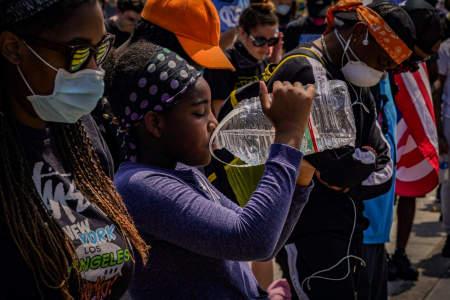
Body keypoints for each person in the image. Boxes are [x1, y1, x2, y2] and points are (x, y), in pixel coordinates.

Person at [111, 41, 316, 299]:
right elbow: (251, 238)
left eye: (210, 110)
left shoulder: (182, 170)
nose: (213, 123)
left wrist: (300, 181)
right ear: (155, 123)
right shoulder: (139, 185)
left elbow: (265, 246)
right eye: (199, 113)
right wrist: (287, 137)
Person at [267, 1, 416, 298]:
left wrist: (352, 170)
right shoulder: (305, 70)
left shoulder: (353, 75)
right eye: (381, 62)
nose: (382, 74)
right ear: (360, 32)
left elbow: (384, 167)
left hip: (349, 232)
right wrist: (356, 165)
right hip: (308, 235)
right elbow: (340, 168)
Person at [0, 0, 148, 299]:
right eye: (78, 52)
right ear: (13, 48)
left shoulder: (81, 133)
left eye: (100, 50)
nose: (94, 70)